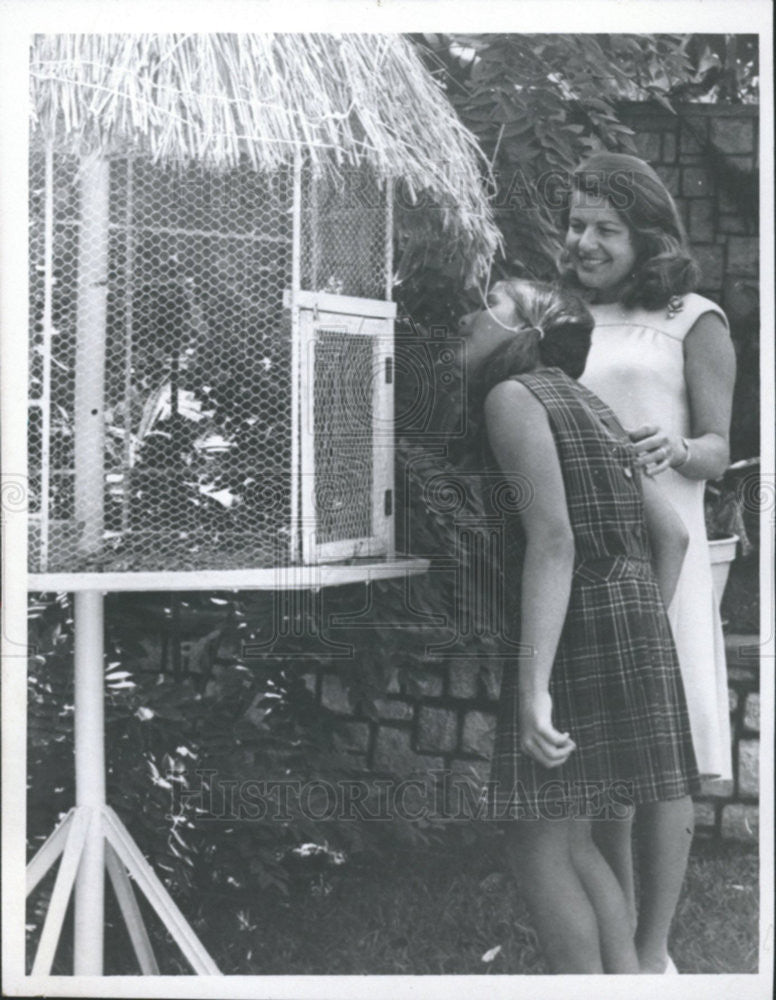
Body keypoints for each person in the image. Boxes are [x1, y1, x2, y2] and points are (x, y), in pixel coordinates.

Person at [459, 277, 700, 974]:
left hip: (572, 620)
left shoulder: (513, 397)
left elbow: (554, 540)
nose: (472, 314)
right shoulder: (586, 399)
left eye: (492, 304)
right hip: (628, 617)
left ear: (522, 333)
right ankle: (626, 985)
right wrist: (640, 632)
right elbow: (673, 537)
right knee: (571, 837)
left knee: (539, 841)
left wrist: (535, 685)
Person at [559, 152, 736, 973]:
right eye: (576, 224)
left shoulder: (693, 317)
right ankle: (621, 956)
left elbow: (720, 445)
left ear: (647, 233)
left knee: (663, 762)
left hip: (670, 551)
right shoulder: (568, 319)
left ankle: (654, 954)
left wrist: (680, 447)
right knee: (605, 759)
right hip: (588, 554)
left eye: (605, 228)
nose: (584, 241)